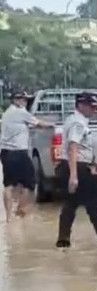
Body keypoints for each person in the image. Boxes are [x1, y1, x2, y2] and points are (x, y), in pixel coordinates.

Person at [56, 92, 97, 248]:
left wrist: (94, 161)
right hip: (77, 167)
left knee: (70, 204)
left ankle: (63, 240)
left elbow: (80, 147)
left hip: (75, 165)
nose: (93, 109)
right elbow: (73, 147)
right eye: (91, 106)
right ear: (80, 105)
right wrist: (74, 176)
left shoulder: (74, 119)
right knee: (92, 203)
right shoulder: (78, 123)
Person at [0, 92, 53, 220]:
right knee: (31, 183)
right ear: (16, 100)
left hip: (5, 152)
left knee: (9, 185)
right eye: (24, 100)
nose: (25, 103)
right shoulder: (20, 113)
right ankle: (21, 210)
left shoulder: (7, 113)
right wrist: (54, 125)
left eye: (26, 101)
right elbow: (39, 123)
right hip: (19, 153)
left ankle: (8, 219)